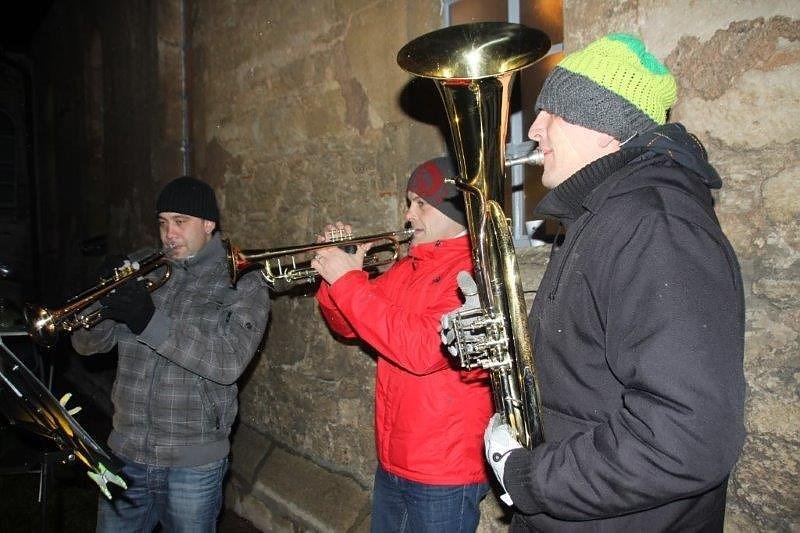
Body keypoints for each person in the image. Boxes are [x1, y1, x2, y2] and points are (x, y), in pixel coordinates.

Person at [478, 33, 746, 531]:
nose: (534, 129)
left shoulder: (656, 225)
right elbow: (585, 370)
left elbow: (686, 437)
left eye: (552, 112)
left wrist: (531, 478)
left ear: (606, 128)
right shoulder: (601, 217)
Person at [72, 176, 270, 532]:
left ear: (208, 224)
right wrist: (101, 299)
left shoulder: (242, 281)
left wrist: (147, 320)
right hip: (126, 450)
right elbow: (86, 345)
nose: (169, 234)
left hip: (192, 463)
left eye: (181, 221)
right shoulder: (141, 267)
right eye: (163, 222)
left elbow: (227, 363)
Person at [313, 157, 494, 532]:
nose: (409, 215)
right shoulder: (407, 267)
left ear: (454, 210)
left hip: (443, 471)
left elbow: (423, 350)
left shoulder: (474, 273)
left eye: (421, 204)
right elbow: (348, 325)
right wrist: (336, 280)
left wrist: (348, 282)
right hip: (395, 459)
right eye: (409, 202)